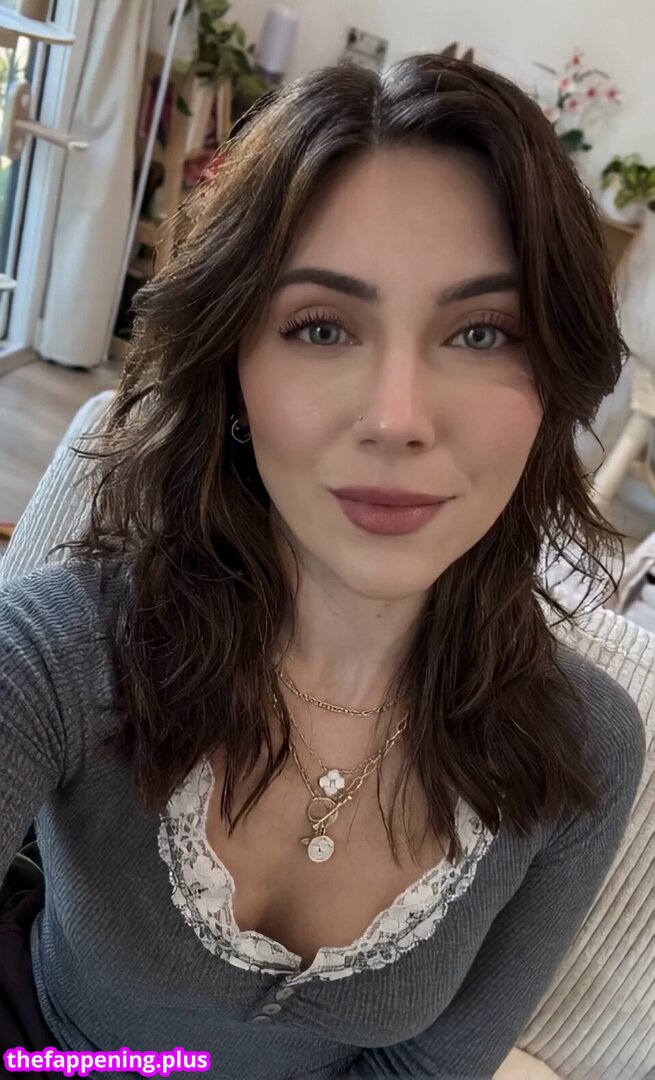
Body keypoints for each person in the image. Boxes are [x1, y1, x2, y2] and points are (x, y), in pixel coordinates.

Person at [0, 53, 646, 1080]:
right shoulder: (57, 657)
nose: (395, 418)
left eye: (482, 331)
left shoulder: (583, 749)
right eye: (321, 327)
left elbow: (430, 1070)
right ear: (234, 371)